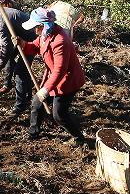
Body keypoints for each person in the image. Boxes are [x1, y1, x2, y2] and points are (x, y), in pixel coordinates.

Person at [18, 8, 89, 142]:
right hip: (54, 77)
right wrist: (23, 44)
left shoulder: (59, 40)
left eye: (35, 27)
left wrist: (45, 89)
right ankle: (33, 133)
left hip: (68, 80)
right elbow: (35, 46)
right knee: (37, 104)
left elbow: (60, 70)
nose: (34, 30)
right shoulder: (45, 35)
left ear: (42, 26)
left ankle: (80, 139)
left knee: (59, 114)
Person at [0, 4, 38, 115]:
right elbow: (8, 50)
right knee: (10, 61)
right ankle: (23, 87)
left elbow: (6, 49)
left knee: (20, 72)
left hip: (29, 36)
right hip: (17, 36)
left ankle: (21, 105)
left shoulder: (0, 25)